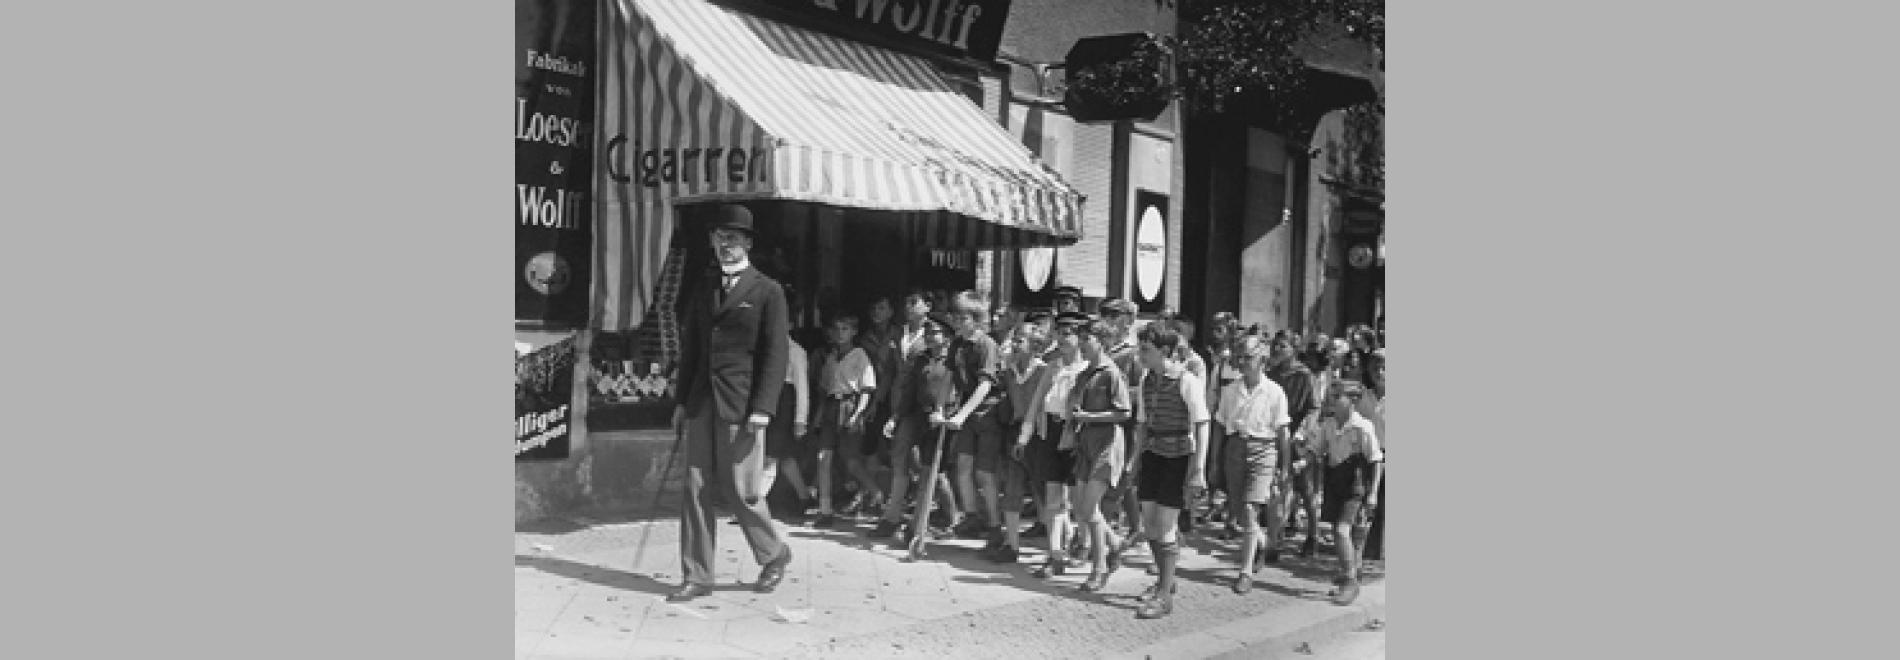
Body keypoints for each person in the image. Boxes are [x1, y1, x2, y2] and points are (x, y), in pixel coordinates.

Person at [667, 204, 794, 603]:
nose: (726, 245)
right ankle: (697, 575)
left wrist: (763, 408)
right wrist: (681, 401)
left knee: (741, 489)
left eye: (734, 239)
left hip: (742, 405)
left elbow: (776, 356)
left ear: (748, 244)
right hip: (702, 401)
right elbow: (692, 349)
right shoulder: (704, 286)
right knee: (695, 487)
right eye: (720, 238)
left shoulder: (768, 291)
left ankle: (773, 553)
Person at [1125, 322, 1211, 619]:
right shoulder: (1146, 380)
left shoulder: (1187, 381)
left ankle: (1164, 596)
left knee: (1165, 525)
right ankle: (1165, 579)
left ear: (1164, 351)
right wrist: (1134, 460)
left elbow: (1202, 424)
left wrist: (1198, 469)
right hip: (1152, 454)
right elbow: (1141, 424)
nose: (1141, 355)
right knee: (1149, 523)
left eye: (1146, 350)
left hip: (1177, 457)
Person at [868, 313, 962, 541]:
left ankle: (943, 521)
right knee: (899, 459)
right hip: (915, 414)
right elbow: (909, 390)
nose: (928, 336)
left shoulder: (955, 360)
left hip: (941, 418)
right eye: (926, 332)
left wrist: (950, 415)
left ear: (947, 337)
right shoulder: (921, 358)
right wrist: (895, 418)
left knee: (933, 472)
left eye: (934, 332)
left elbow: (961, 391)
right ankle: (891, 518)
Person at [1295, 380, 1383, 606]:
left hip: (1355, 484)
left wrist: (1372, 493)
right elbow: (1317, 449)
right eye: (1330, 396)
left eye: (1337, 396)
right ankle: (1350, 571)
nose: (1331, 400)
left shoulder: (1363, 427)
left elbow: (1376, 460)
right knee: (1341, 533)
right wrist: (1303, 461)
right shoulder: (1329, 425)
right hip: (1335, 481)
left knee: (1342, 530)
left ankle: (1351, 581)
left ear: (1353, 400)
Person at [1018, 311, 1090, 577]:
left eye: (1068, 334)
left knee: (1080, 501)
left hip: (1077, 435)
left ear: (1080, 337)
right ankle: (1055, 554)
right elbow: (1037, 401)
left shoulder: (1088, 368)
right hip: (1050, 432)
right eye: (1059, 333)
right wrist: (1025, 434)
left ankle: (1085, 545)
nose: (1061, 338)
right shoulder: (1053, 366)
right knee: (1053, 498)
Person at [1217, 336, 1291, 593]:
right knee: (1240, 512)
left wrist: (1285, 467)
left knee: (1251, 509)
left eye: (1248, 357)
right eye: (1240, 357)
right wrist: (1215, 461)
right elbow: (1220, 426)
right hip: (1235, 448)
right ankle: (1263, 542)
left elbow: (1282, 432)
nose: (1243, 362)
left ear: (1262, 360)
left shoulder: (1274, 392)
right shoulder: (1230, 391)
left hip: (1263, 450)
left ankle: (1245, 571)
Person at [1066, 316, 1134, 593]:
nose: (1082, 344)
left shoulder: (1111, 373)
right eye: (1080, 339)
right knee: (1083, 509)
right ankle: (1115, 544)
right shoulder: (1084, 374)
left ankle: (1099, 567)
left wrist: (1089, 416)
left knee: (1088, 509)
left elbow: (1124, 412)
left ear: (1102, 341)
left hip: (1107, 444)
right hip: (1086, 443)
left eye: (1087, 339)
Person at [942, 291, 1008, 543]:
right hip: (966, 413)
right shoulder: (957, 344)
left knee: (984, 472)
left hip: (987, 412)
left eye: (964, 318)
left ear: (976, 319)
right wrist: (939, 407)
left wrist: (962, 413)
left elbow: (985, 385)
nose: (958, 323)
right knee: (963, 466)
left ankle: (994, 525)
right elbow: (948, 377)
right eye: (956, 317)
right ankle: (971, 516)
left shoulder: (986, 345)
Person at [808, 311, 881, 528]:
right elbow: (825, 390)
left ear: (854, 332)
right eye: (837, 329)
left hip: (849, 405)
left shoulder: (859, 355)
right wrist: (818, 417)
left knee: (851, 461)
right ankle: (825, 510)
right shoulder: (831, 357)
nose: (840, 334)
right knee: (823, 458)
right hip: (831, 406)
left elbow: (866, 389)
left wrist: (858, 413)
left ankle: (876, 493)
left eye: (845, 329)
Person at [988, 321, 1051, 563]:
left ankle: (1058, 547)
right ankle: (1011, 544)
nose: (1014, 345)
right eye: (1014, 340)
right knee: (1012, 488)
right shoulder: (1009, 372)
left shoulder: (1044, 371)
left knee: (1045, 490)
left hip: (1041, 435)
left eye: (1020, 340)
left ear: (1034, 345)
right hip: (1015, 433)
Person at [1095, 297, 1146, 557]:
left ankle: (1102, 543)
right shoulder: (1101, 348)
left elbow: (1142, 392)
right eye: (1105, 315)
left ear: (1127, 321)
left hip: (1127, 426)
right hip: (1101, 424)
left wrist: (1116, 394)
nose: (1107, 321)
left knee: (1118, 482)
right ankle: (1136, 529)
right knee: (1120, 484)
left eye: (1114, 316)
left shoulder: (1134, 354)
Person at [1267, 335, 1324, 557]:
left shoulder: (1304, 375)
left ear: (1294, 348)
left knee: (1306, 489)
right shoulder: (1271, 374)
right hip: (1276, 435)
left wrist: (1302, 432)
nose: (1277, 349)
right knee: (1278, 487)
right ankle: (1275, 539)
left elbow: (1314, 407)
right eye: (1275, 345)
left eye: (1282, 345)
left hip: (1299, 438)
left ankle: (1313, 534)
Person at [759, 285, 813, 516]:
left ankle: (755, 505)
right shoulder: (765, 350)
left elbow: (802, 388)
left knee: (771, 456)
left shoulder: (796, 352)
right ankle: (804, 495)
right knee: (784, 457)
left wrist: (801, 419)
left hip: (785, 405)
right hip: (769, 403)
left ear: (790, 325)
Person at [1202, 312, 1244, 538]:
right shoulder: (1221, 367)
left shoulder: (1248, 370)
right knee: (1219, 467)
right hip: (1222, 421)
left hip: (1242, 426)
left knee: (1238, 475)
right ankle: (1221, 508)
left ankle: (1233, 518)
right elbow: (1213, 392)